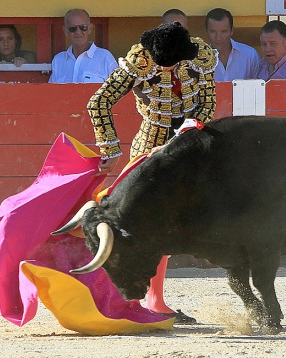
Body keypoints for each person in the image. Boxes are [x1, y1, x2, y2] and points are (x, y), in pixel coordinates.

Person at [87, 22, 217, 321]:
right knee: (138, 223)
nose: (169, 70)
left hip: (188, 143)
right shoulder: (139, 63)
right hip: (149, 144)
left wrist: (180, 137)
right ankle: (140, 298)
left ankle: (154, 300)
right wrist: (109, 151)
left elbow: (207, 104)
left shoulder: (201, 58)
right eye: (164, 66)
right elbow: (99, 102)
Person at [49, 9, 118, 83]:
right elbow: (52, 92)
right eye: (73, 28)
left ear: (90, 28)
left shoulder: (105, 57)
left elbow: (119, 90)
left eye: (83, 27)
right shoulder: (58, 60)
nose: (78, 32)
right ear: (65, 31)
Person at [205, 8, 260, 81]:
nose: (218, 37)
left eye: (223, 31)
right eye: (213, 31)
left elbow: (260, 88)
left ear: (232, 31)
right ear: (206, 31)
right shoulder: (198, 60)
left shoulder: (250, 55)